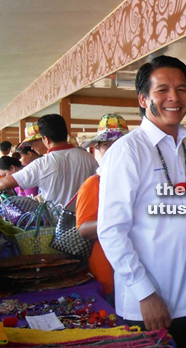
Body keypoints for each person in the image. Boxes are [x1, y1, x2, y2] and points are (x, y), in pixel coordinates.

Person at [97, 55, 186, 348]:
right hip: (150, 306)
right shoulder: (127, 151)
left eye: (181, 89)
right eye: (163, 89)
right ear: (143, 98)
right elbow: (111, 231)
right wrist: (145, 293)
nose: (174, 97)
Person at [0, 114, 98, 209]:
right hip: (84, 222)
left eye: (32, 143)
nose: (31, 147)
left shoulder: (43, 163)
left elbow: (5, 183)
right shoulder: (88, 158)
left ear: (46, 139)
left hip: (56, 227)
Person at [76, 113, 129, 306]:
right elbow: (83, 228)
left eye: (119, 143)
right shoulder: (93, 184)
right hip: (107, 275)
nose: (114, 149)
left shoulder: (135, 180)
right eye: (107, 144)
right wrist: (123, 222)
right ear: (96, 148)